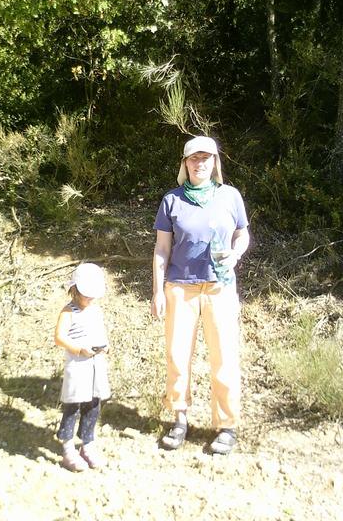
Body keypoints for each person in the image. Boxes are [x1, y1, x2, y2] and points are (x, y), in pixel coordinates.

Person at [151, 136, 249, 455]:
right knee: (178, 355)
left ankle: (226, 425)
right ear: (185, 164)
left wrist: (235, 254)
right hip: (180, 286)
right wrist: (157, 291)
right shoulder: (172, 200)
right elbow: (161, 250)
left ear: (215, 163)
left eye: (206, 158)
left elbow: (242, 234)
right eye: (194, 158)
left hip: (220, 286)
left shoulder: (230, 196)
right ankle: (179, 419)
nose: (200, 163)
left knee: (224, 356)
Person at [54, 262, 110, 471]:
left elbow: (100, 332)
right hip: (77, 367)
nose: (90, 299)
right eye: (87, 294)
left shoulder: (95, 310)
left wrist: (105, 346)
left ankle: (87, 444)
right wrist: (78, 349)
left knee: (93, 406)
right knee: (73, 407)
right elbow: (59, 337)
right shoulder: (69, 312)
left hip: (96, 365)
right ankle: (68, 447)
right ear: (75, 290)